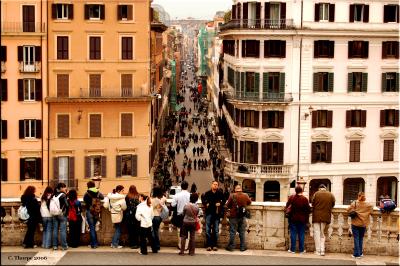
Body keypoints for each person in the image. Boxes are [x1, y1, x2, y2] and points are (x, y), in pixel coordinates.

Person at [225, 184, 251, 252]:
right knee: (242, 232)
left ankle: (231, 247)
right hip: (242, 216)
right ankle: (242, 247)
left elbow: (227, 205)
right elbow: (249, 202)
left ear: (235, 189)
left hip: (233, 216)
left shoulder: (232, 195)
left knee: (232, 232)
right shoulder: (245, 195)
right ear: (241, 189)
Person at [311, 184, 335, 256]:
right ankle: (322, 250)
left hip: (316, 216)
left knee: (316, 233)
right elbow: (333, 204)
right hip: (326, 216)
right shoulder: (330, 194)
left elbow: (312, 204)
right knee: (322, 234)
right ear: (325, 188)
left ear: (319, 188)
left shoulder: (316, 194)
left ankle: (318, 250)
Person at [347, 192, 373, 259]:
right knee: (361, 238)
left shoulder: (354, 203)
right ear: (364, 197)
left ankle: (357, 254)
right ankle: (360, 253)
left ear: (358, 196)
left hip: (355, 223)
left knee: (356, 238)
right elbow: (371, 211)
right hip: (363, 224)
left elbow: (347, 209)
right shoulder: (368, 205)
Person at [286, 186, 311, 254]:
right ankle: (301, 250)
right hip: (302, 219)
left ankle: (292, 249)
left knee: (293, 234)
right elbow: (308, 210)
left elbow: (287, 206)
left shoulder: (291, 197)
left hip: (292, 219)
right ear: (302, 191)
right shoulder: (304, 199)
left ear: (295, 191)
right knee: (301, 234)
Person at [202, 181, 225, 251]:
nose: (215, 186)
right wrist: (207, 204)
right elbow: (203, 200)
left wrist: (220, 203)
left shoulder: (220, 193)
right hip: (209, 213)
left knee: (216, 230)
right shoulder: (207, 193)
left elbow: (224, 200)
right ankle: (208, 245)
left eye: (216, 185)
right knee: (208, 230)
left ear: (218, 186)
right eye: (214, 184)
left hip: (216, 214)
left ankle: (214, 245)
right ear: (211, 185)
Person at [83, 181, 104, 249]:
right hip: (96, 212)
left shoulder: (86, 193)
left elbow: (84, 200)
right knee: (93, 228)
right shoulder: (98, 192)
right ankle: (94, 243)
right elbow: (103, 197)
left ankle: (94, 244)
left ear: (88, 186)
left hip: (89, 211)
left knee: (91, 228)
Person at [171, 180, 191, 248]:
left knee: (179, 231)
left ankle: (180, 245)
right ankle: (186, 246)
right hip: (188, 215)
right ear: (187, 187)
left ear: (181, 187)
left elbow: (173, 205)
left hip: (180, 215)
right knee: (187, 231)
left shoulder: (177, 195)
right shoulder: (189, 195)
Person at [52, 183, 69, 250]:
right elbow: (67, 205)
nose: (65, 188)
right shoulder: (63, 195)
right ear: (61, 188)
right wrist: (66, 214)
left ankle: (55, 246)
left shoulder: (54, 195)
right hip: (62, 214)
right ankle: (64, 246)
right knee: (62, 230)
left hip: (54, 214)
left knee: (55, 230)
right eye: (64, 187)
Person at [151, 187, 167, 251]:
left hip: (154, 216)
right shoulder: (163, 198)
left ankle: (155, 245)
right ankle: (157, 245)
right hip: (160, 216)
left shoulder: (154, 199)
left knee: (153, 231)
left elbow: (151, 207)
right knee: (156, 231)